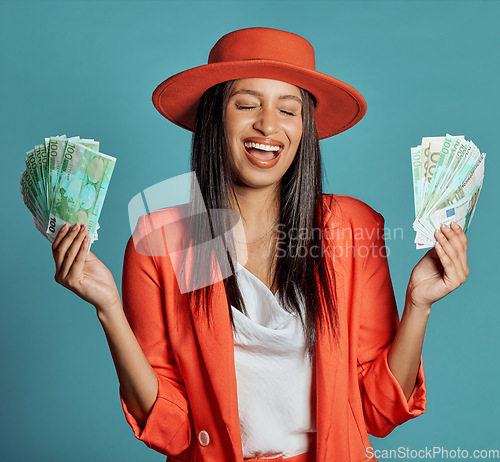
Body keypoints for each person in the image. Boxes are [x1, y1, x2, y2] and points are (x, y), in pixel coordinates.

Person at [50, 27, 469, 462]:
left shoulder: (349, 227)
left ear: (304, 128)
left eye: (288, 110)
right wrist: (108, 310)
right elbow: (172, 431)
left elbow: (378, 411)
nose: (268, 125)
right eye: (247, 105)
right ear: (215, 117)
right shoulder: (161, 242)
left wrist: (419, 305)